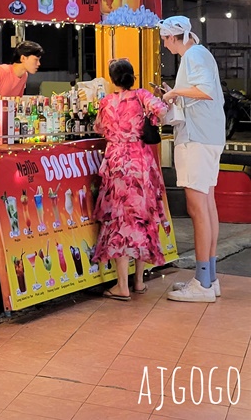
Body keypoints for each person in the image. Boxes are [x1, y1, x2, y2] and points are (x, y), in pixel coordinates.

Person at [158, 16, 226, 303]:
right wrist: (176, 95)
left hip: (197, 138)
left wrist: (173, 92)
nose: (163, 44)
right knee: (207, 205)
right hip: (208, 136)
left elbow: (205, 91)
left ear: (174, 37)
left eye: (164, 38)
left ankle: (202, 283)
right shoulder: (200, 54)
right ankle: (208, 276)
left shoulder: (194, 55)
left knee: (197, 207)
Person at [92, 58, 168, 301]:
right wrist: (162, 100)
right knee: (141, 218)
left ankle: (122, 286)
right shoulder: (142, 96)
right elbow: (163, 112)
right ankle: (138, 282)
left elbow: (98, 128)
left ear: (113, 80)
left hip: (116, 162)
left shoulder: (106, 101)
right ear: (133, 77)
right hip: (139, 163)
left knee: (119, 220)